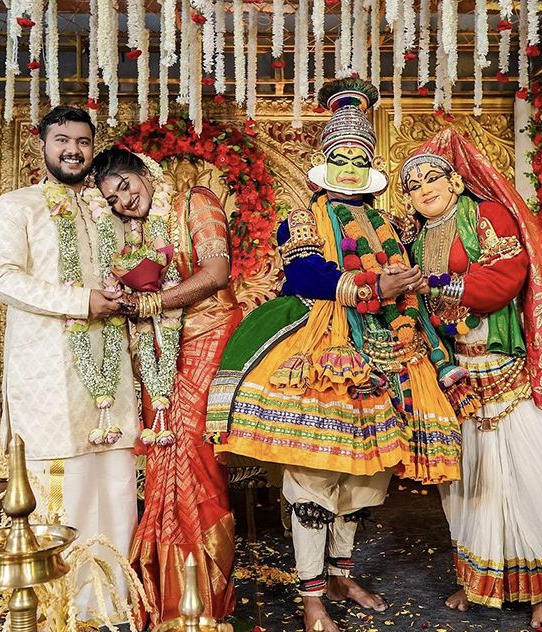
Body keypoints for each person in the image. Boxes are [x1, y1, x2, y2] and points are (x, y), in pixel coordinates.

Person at [206, 78, 470, 632]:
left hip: (389, 349)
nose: (350, 169)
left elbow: (420, 275)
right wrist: (374, 286)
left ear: (371, 166)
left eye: (359, 159)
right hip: (321, 345)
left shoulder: (392, 225)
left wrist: (417, 308)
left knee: (366, 476)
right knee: (314, 472)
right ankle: (311, 597)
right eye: (340, 158)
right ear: (324, 165)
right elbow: (305, 274)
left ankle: (341, 575)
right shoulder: (303, 218)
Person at [400, 128, 542, 631]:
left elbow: (506, 278)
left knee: (530, 479)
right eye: (413, 186)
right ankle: (479, 581)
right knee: (472, 485)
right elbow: (417, 308)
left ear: (455, 181)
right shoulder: (416, 241)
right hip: (460, 377)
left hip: (507, 369)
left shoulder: (487, 215)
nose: (424, 189)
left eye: (432, 178)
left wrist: (443, 285)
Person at [0, 106, 140, 622]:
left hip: (109, 374)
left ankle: (111, 607)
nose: (73, 150)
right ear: (43, 146)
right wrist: (81, 301)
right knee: (64, 489)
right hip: (48, 375)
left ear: (93, 148)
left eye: (83, 142)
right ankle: (55, 612)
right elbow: (1, 278)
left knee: (115, 485)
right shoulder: (17, 207)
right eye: (62, 140)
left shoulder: (105, 211)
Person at [93, 147, 241, 627]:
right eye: (112, 199)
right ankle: (164, 594)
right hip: (160, 349)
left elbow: (216, 274)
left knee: (194, 452)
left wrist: (153, 304)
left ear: (144, 172)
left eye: (125, 186)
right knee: (163, 455)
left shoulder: (194, 202)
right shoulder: (133, 233)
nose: (123, 201)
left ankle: (204, 593)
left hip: (210, 337)